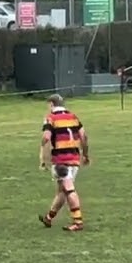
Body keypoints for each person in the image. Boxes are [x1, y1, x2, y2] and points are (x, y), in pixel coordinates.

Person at [39, 94, 90, 231]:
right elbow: (83, 136)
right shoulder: (73, 117)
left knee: (68, 189)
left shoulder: (51, 118)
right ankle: (49, 218)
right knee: (62, 191)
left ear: (51, 104)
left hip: (61, 161)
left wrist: (43, 157)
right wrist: (85, 155)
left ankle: (78, 222)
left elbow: (46, 137)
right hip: (74, 159)